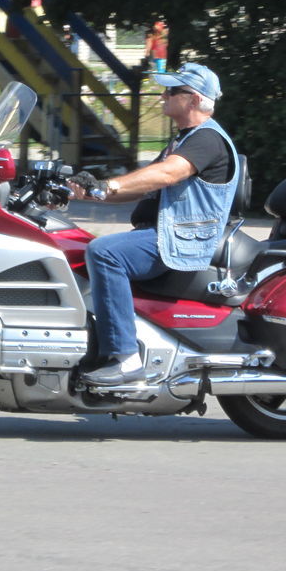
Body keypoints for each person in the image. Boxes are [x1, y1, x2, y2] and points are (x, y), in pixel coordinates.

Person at [69, 63, 239, 385]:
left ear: (193, 99)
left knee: (106, 252)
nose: (163, 94)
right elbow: (143, 186)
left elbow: (167, 174)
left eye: (172, 90)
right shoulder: (184, 140)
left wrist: (108, 187)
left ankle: (125, 357)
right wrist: (87, 193)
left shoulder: (207, 139)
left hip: (178, 239)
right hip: (165, 233)